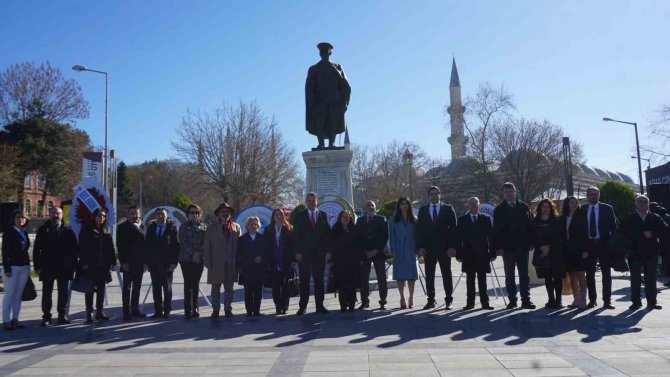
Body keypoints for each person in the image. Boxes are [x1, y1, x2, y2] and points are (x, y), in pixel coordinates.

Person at [621, 195, 670, 310]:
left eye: (645, 202)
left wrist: (652, 234)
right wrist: (626, 250)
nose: (642, 204)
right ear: (635, 203)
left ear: (648, 204)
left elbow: (666, 231)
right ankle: (636, 302)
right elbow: (622, 234)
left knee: (651, 279)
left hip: (651, 253)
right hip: (634, 253)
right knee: (635, 279)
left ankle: (652, 302)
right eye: (640, 202)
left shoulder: (655, 217)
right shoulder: (629, 218)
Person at [493, 182, 536, 309]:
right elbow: (496, 230)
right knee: (509, 275)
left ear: (515, 191)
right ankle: (512, 300)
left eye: (510, 191)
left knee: (524, 275)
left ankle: (526, 300)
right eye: (506, 192)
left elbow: (530, 226)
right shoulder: (499, 209)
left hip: (522, 246)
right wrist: (498, 247)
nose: (509, 194)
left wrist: (532, 241)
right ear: (503, 194)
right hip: (507, 248)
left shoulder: (524, 207)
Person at [33, 206, 78, 326]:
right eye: (53, 213)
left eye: (58, 213)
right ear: (49, 214)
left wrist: (73, 266)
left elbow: (74, 250)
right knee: (47, 292)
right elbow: (37, 249)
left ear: (62, 215)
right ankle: (46, 317)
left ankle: (62, 315)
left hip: (64, 267)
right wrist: (37, 267)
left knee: (63, 293)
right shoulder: (43, 229)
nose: (55, 215)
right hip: (47, 267)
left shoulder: (68, 230)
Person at [305, 42, 351, 149]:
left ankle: (332, 144)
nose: (324, 54)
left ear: (329, 53)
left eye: (326, 52)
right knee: (319, 123)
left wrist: (345, 102)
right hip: (319, 101)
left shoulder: (337, 67)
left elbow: (345, 86)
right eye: (322, 52)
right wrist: (311, 101)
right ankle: (321, 144)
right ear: (320, 54)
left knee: (333, 122)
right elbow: (309, 87)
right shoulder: (314, 69)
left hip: (334, 101)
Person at [292, 192, 331, 315]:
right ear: (306, 202)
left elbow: (327, 235)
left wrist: (328, 251)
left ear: (317, 201)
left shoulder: (323, 215)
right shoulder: (299, 215)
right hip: (304, 255)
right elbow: (296, 236)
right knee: (304, 281)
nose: (311, 202)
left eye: (313, 200)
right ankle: (302, 306)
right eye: (308, 200)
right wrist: (297, 252)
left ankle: (320, 306)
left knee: (319, 281)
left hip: (319, 255)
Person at [456, 197, 495, 310]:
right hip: (468, 255)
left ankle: (485, 303)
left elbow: (491, 237)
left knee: (483, 280)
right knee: (470, 280)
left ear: (479, 205)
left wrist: (492, 253)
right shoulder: (462, 220)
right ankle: (470, 303)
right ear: (468, 205)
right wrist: (459, 254)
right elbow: (458, 239)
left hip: (482, 254)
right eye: (471, 204)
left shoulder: (486, 219)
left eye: (475, 203)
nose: (473, 205)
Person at [203, 202, 241, 319]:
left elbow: (240, 247)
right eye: (222, 211)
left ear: (230, 213)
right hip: (216, 263)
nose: (225, 213)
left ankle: (228, 309)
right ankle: (215, 310)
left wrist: (238, 264)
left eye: (227, 211)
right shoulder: (211, 227)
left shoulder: (236, 227)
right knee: (215, 289)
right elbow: (206, 246)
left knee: (229, 289)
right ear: (218, 214)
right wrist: (208, 263)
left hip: (231, 263)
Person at [78, 209, 116, 323]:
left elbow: (111, 248)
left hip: (103, 266)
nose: (101, 218)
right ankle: (89, 313)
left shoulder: (105, 230)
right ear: (94, 217)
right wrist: (84, 263)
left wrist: (113, 262)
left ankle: (99, 312)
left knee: (101, 289)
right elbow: (82, 247)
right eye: (99, 216)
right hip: (90, 265)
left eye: (104, 216)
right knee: (89, 289)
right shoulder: (86, 229)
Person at [583, 187, 618, 309]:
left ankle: (607, 300)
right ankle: (592, 300)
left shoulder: (607, 208)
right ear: (587, 195)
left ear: (599, 195)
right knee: (590, 274)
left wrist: (611, 244)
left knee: (606, 274)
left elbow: (614, 228)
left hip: (604, 245)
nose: (593, 196)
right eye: (591, 194)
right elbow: (581, 230)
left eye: (596, 194)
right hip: (589, 245)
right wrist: (583, 248)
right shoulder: (582, 209)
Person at [145, 208, 180, 319]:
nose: (160, 216)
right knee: (156, 288)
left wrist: (174, 262)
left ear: (166, 215)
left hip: (167, 264)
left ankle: (167, 310)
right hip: (154, 264)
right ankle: (158, 311)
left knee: (167, 288)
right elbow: (147, 245)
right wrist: (147, 262)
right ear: (155, 216)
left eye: (162, 214)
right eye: (158, 214)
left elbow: (176, 246)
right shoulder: (151, 228)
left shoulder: (172, 228)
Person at [355, 200, 389, 310]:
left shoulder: (382, 219)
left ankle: (383, 301)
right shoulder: (359, 221)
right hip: (364, 253)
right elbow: (358, 237)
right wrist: (365, 251)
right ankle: (364, 301)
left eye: (372, 205)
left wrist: (375, 250)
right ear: (364, 208)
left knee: (381, 277)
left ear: (375, 207)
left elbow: (385, 236)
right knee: (363, 278)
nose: (370, 207)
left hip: (378, 253)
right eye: (367, 205)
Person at [116, 206, 149, 321]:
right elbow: (120, 246)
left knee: (137, 288)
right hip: (128, 263)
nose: (134, 215)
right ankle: (126, 312)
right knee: (127, 289)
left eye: (136, 213)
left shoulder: (144, 227)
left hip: (140, 263)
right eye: (132, 213)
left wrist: (146, 263)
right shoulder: (122, 227)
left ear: (140, 214)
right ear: (128, 214)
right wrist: (123, 262)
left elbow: (146, 247)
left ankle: (135, 310)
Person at [532, 199, 566, 309]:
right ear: (539, 208)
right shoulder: (535, 221)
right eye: (543, 207)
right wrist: (541, 247)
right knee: (547, 278)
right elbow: (533, 238)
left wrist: (549, 247)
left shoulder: (556, 220)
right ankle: (551, 299)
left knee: (557, 277)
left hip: (556, 253)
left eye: (547, 206)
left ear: (551, 208)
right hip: (541, 253)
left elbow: (561, 237)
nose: (545, 209)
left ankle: (558, 300)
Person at [2, 211, 31, 331]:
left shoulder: (24, 232)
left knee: (18, 295)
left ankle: (15, 319)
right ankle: (6, 321)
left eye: (23, 217)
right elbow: (5, 252)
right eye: (18, 217)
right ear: (13, 219)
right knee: (9, 294)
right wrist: (7, 268)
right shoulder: (9, 233)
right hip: (12, 268)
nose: (20, 219)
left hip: (24, 267)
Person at [389, 197, 419, 309]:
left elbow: (417, 236)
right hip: (399, 250)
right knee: (400, 277)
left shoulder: (414, 219)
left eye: (406, 204)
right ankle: (402, 297)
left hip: (411, 250)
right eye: (402, 204)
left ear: (409, 205)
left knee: (412, 277)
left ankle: (411, 297)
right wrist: (393, 251)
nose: (404, 206)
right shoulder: (393, 220)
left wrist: (417, 250)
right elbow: (391, 237)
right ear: (399, 206)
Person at [178, 204, 207, 319]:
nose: (194, 215)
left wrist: (198, 253)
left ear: (200, 214)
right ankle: (187, 309)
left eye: (196, 213)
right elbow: (184, 241)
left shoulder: (204, 227)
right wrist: (193, 254)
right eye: (192, 212)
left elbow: (205, 243)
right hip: (186, 259)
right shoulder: (184, 226)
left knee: (196, 284)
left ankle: (195, 308)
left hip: (199, 259)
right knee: (188, 283)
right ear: (188, 214)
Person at [330, 210, 362, 312]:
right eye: (343, 217)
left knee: (352, 285)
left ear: (350, 218)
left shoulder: (355, 229)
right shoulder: (335, 230)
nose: (345, 218)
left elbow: (359, 246)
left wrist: (360, 259)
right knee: (342, 285)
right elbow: (331, 246)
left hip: (352, 261)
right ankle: (343, 306)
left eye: (347, 217)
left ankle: (352, 305)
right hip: (339, 262)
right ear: (340, 218)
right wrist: (330, 259)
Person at [561, 197, 589, 309]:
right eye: (571, 203)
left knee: (581, 275)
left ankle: (583, 300)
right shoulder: (563, 218)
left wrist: (585, 250)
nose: (573, 204)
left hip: (580, 250)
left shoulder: (582, 216)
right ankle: (576, 300)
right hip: (567, 251)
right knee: (572, 276)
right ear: (567, 204)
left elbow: (585, 235)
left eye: (575, 202)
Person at [264, 209, 294, 315]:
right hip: (273, 261)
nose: (279, 216)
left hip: (285, 261)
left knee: (285, 285)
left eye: (281, 215)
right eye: (277, 215)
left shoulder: (289, 229)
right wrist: (267, 261)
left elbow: (292, 246)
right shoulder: (268, 229)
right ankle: (278, 306)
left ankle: (285, 306)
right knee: (275, 286)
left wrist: (292, 261)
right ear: (273, 217)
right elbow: (266, 247)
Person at [237, 217, 266, 317]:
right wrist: (240, 267)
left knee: (258, 291)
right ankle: (249, 311)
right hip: (247, 269)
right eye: (251, 224)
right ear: (247, 226)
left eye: (255, 224)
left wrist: (262, 258)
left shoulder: (262, 238)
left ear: (258, 226)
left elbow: (266, 252)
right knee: (248, 292)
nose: (253, 226)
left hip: (258, 269)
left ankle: (257, 311)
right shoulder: (242, 239)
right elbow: (239, 254)